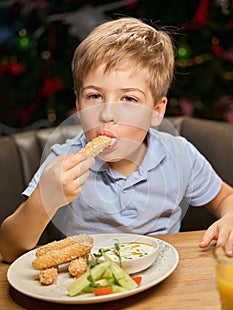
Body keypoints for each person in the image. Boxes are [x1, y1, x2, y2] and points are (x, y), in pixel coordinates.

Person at [1, 17, 233, 263]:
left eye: (129, 99)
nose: (107, 114)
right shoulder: (63, 160)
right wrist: (44, 198)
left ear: (156, 111)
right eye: (94, 96)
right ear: (79, 106)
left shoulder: (179, 155)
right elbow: (9, 248)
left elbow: (225, 198)